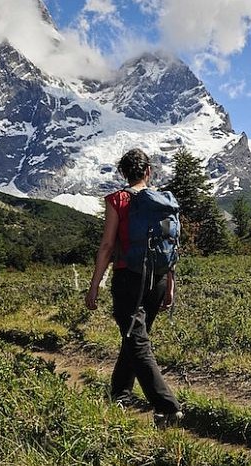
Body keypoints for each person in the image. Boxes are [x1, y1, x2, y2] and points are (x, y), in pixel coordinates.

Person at [85, 148, 183, 427]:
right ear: (148, 171)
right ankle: (120, 394)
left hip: (129, 277)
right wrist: (170, 286)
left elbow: (106, 246)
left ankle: (167, 407)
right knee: (134, 339)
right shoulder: (165, 202)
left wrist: (94, 285)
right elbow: (172, 247)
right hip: (159, 279)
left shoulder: (118, 199)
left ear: (123, 173)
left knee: (136, 341)